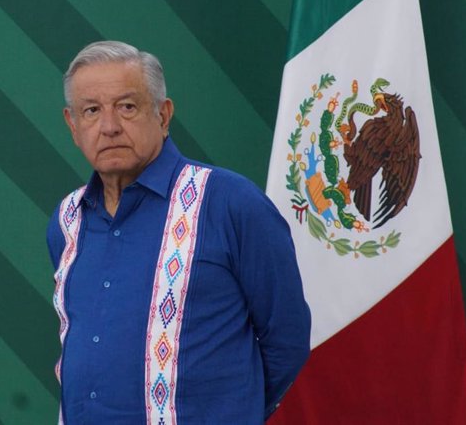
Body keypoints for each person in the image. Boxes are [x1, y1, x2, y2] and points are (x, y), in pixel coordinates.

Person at [47, 41, 310, 424]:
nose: (109, 127)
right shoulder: (67, 221)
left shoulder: (230, 204)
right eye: (91, 111)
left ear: (163, 114)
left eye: (127, 106)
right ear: (73, 125)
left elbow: (286, 339)